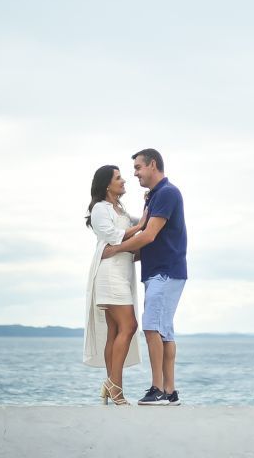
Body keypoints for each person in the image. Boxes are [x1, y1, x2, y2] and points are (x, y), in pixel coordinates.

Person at [101, 148, 187, 406]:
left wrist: (115, 249)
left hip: (164, 272)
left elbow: (148, 236)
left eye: (138, 168)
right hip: (162, 271)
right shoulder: (155, 196)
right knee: (164, 332)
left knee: (151, 328)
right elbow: (150, 237)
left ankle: (158, 390)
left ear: (152, 165)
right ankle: (170, 391)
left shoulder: (166, 193)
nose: (135, 174)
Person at [82, 164, 146, 405]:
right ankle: (114, 385)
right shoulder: (100, 208)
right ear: (107, 184)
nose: (124, 181)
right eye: (119, 178)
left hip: (122, 272)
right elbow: (112, 236)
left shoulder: (119, 208)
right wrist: (139, 228)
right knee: (129, 326)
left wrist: (147, 216)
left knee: (115, 331)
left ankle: (112, 384)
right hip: (109, 274)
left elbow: (141, 225)